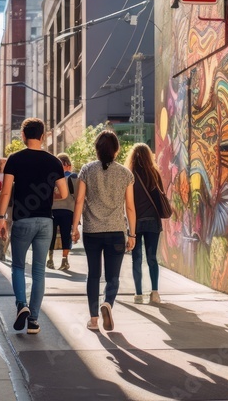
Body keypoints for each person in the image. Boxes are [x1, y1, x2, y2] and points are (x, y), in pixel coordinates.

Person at [0, 119, 68, 335]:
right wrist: (47, 196)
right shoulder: (54, 162)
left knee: (17, 266)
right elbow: (64, 193)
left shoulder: (15, 159)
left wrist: (1, 217)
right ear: (43, 136)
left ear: (23, 136)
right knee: (38, 271)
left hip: (22, 220)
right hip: (46, 221)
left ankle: (21, 305)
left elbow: (6, 191)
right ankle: (34, 321)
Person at [71, 130, 136, 332]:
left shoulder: (87, 170)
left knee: (93, 275)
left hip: (92, 231)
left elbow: (79, 200)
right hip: (116, 231)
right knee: (113, 277)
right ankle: (108, 302)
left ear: (97, 150)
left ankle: (93, 319)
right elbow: (130, 207)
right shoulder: (126, 174)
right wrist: (132, 233)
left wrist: (74, 227)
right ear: (116, 150)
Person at [126, 144, 165, 304]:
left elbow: (127, 202)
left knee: (136, 258)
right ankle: (154, 293)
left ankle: (138, 293)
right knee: (152, 258)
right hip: (153, 221)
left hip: (136, 221)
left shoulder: (129, 175)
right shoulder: (154, 173)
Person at [47, 153, 77, 271]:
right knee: (66, 236)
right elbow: (77, 196)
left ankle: (50, 259)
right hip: (67, 211)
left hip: (53, 210)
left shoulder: (51, 177)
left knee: (51, 235)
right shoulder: (73, 177)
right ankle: (64, 260)